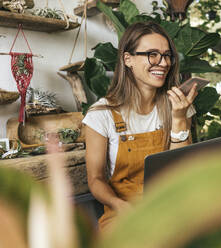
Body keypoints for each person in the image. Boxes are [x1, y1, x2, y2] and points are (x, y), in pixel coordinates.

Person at [82, 22, 198, 230]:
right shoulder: (101, 115)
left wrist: (179, 118)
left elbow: (181, 169)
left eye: (167, 55)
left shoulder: (177, 106)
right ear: (128, 59)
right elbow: (96, 179)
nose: (163, 63)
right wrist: (120, 205)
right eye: (152, 54)